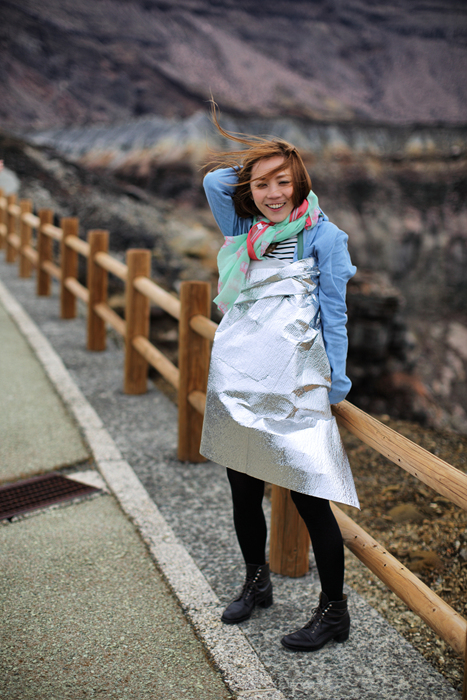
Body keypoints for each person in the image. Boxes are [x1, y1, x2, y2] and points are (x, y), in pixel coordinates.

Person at [200, 108, 359, 652]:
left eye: (283, 183)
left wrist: (337, 382)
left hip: (295, 381)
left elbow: (334, 314)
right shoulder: (245, 230)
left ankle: (334, 612)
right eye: (262, 184)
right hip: (241, 372)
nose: (272, 194)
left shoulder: (325, 238)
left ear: (301, 184)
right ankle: (256, 582)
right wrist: (266, 161)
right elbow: (214, 181)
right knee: (244, 489)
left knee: (311, 497)